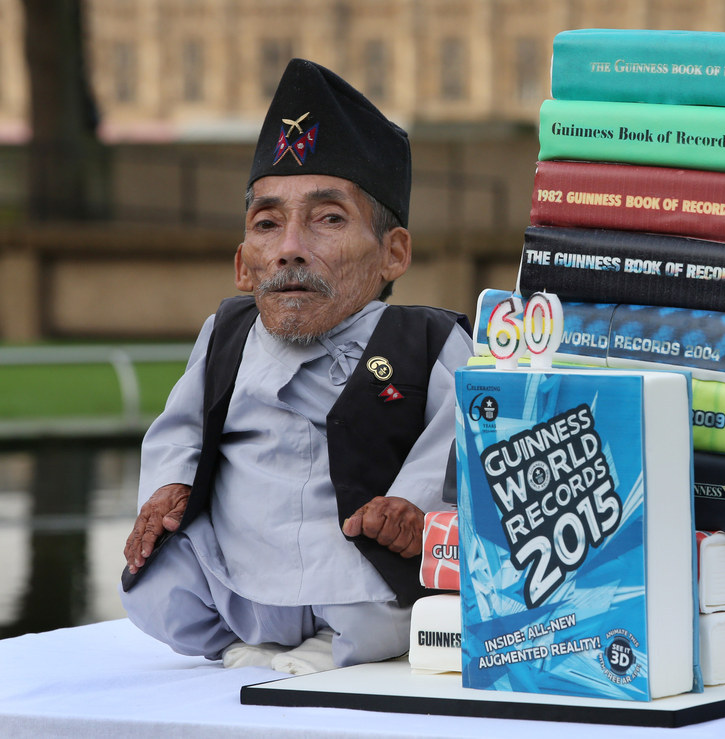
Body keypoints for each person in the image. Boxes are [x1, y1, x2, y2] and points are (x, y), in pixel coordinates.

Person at [119, 58, 473, 675]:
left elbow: (459, 439)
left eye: (328, 219)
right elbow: (179, 429)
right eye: (267, 224)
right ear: (243, 263)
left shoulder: (428, 340)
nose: (289, 248)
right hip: (241, 560)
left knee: (398, 605)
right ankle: (236, 640)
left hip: (353, 565)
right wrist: (168, 488)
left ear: (393, 253)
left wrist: (412, 509)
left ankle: (335, 644)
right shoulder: (225, 334)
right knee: (153, 587)